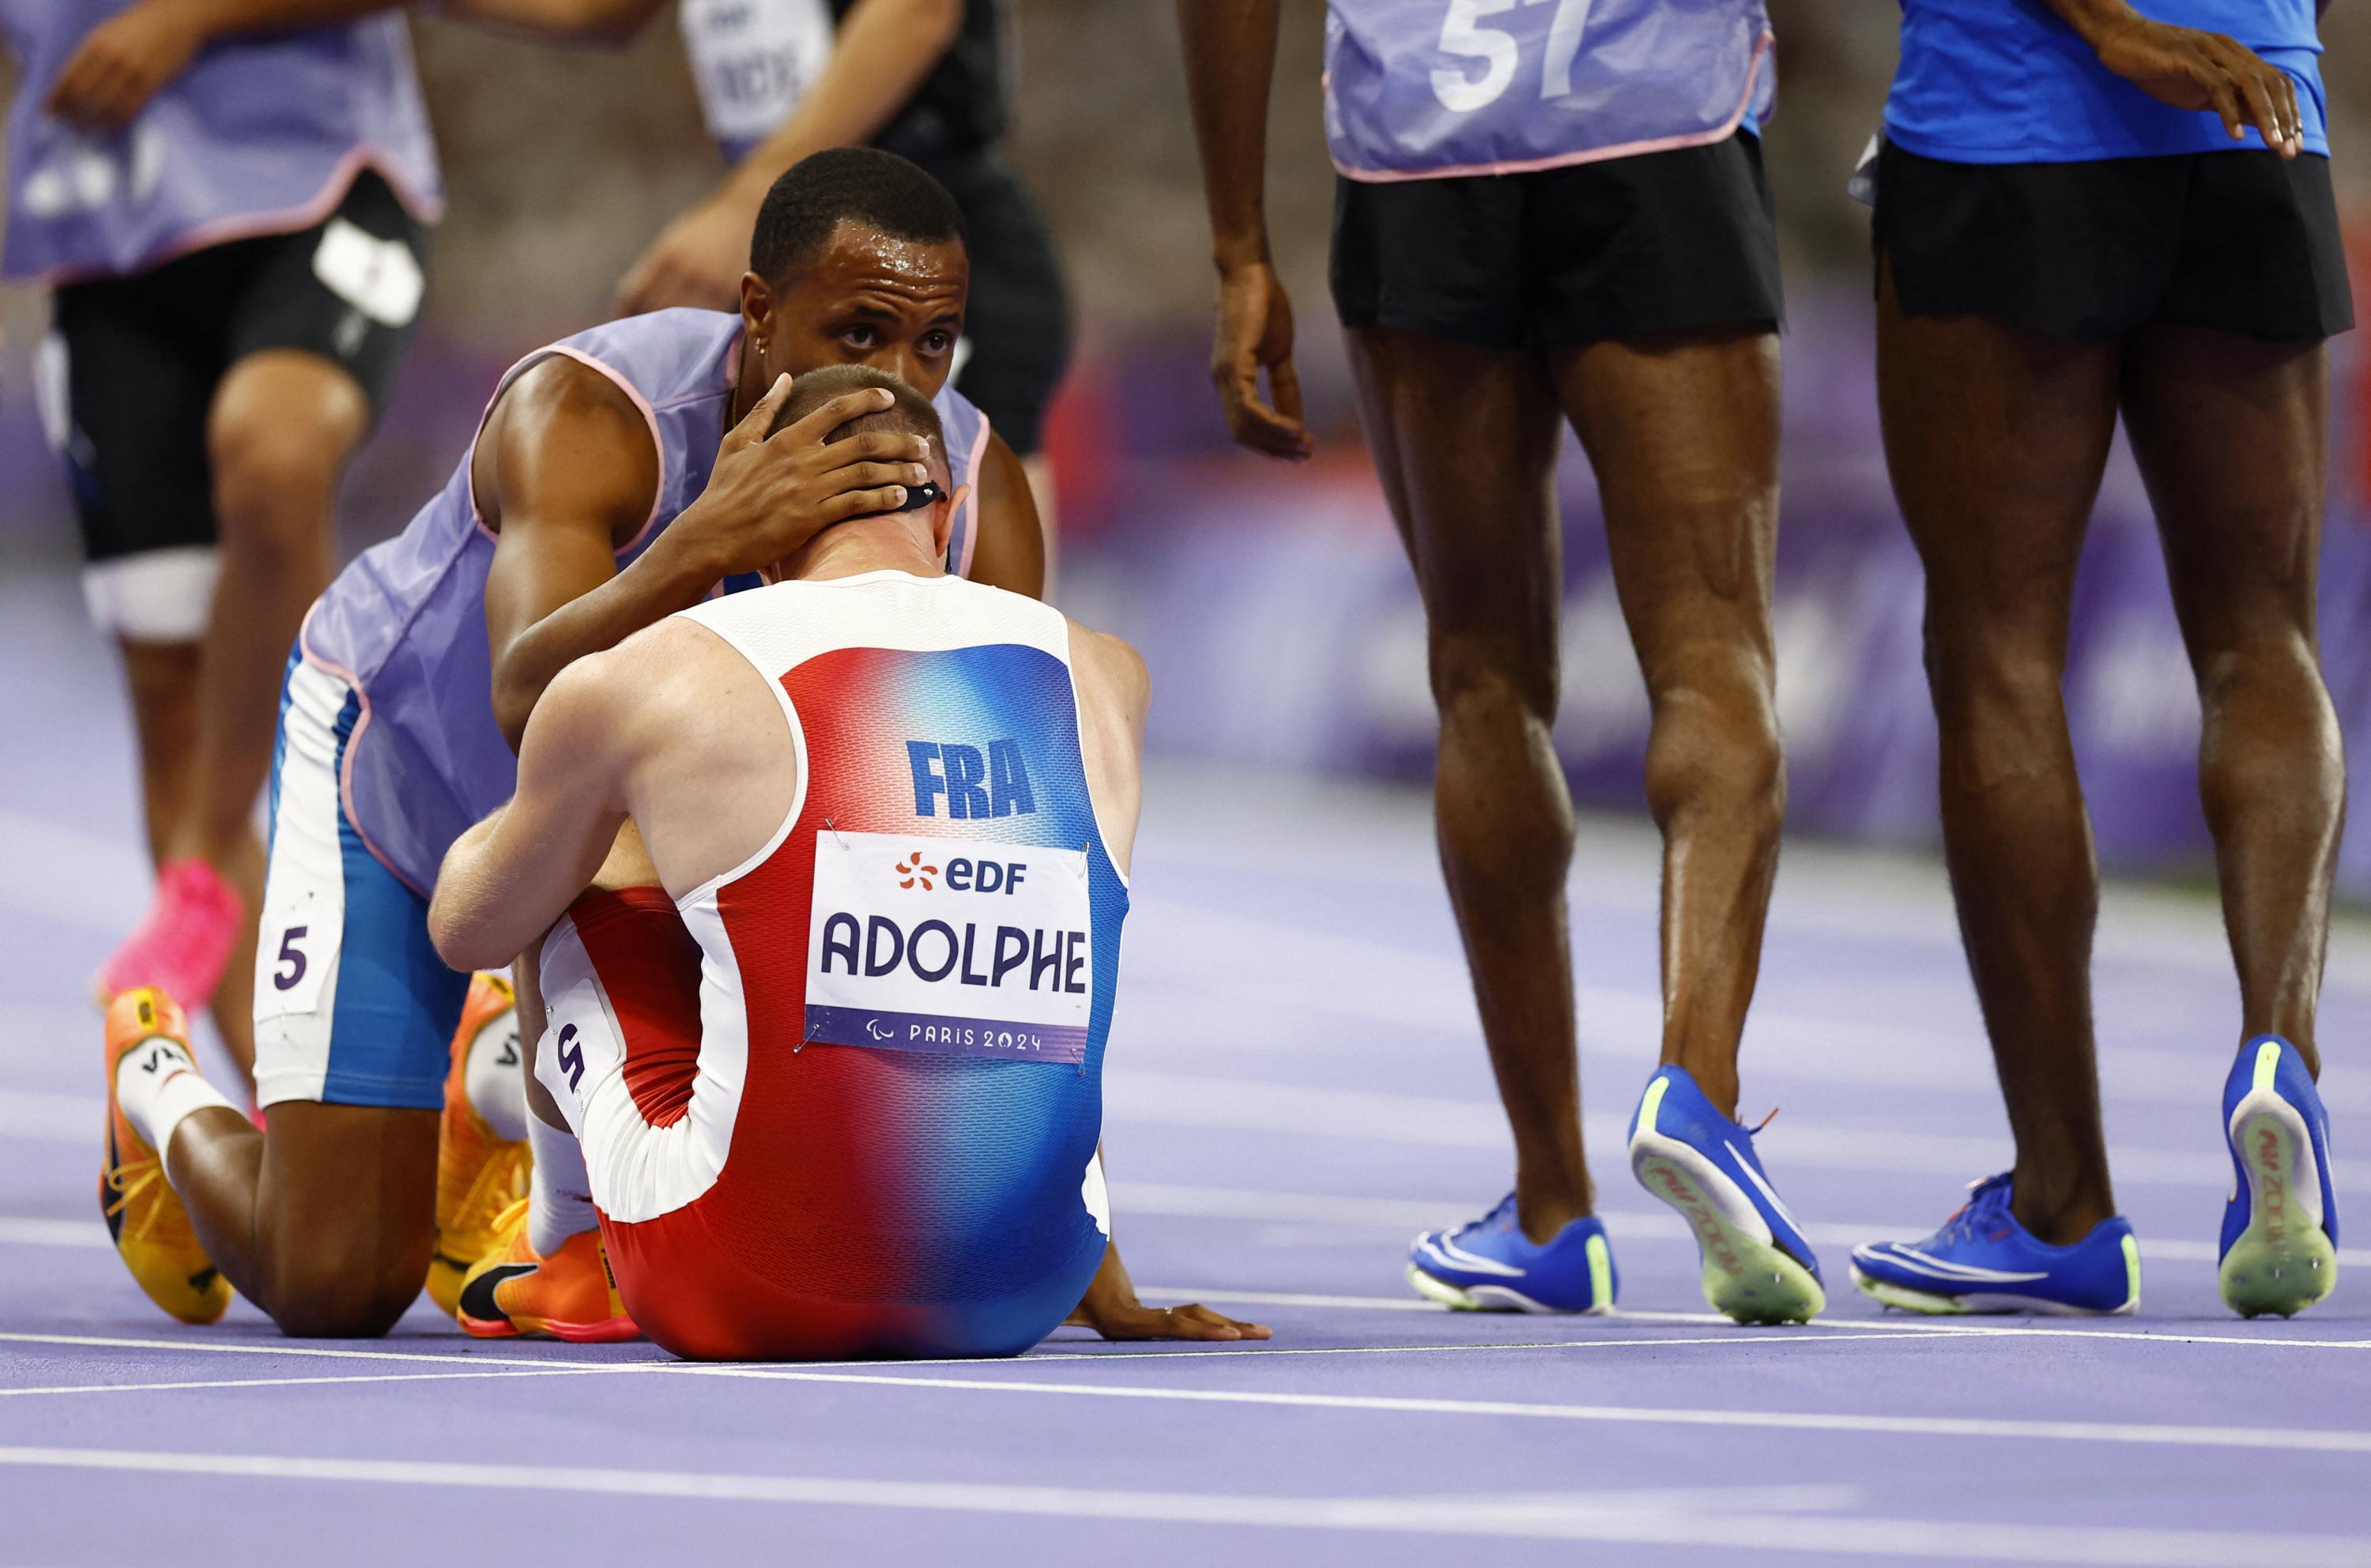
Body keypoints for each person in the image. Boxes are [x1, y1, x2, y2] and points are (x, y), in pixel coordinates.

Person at [89, 149, 1060, 1339]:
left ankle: (503, 1099)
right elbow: (530, 703)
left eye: (933, 343)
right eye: (858, 333)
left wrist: (1083, 1232)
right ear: (758, 317)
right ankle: (155, 1085)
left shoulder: (968, 491)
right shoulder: (592, 414)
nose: (897, 383)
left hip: (613, 853)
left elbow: (1019, 872)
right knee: (332, 1281)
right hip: (404, 782)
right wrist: (702, 542)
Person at [1175, 0, 1821, 1322]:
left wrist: (1240, 248)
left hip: (1424, 144)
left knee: (1482, 671)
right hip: (1653, 121)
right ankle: (1694, 1086)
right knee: (1714, 659)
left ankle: (1547, 1206)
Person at [426, 367, 1264, 1358]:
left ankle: (567, 1252)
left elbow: (468, 929)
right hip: (1030, 1288)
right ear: (947, 515)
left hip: (737, 1285)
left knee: (572, 856)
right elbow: (1021, 983)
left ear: (758, 534)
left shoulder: (647, 677)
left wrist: (532, 818)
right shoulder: (1109, 677)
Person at [1851, 0, 2343, 1320]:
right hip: (2259, 116)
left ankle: (2061, 1198)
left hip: (2003, 124)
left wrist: (2112, 23)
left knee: (1994, 647)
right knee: (2263, 636)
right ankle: (2277, 1056)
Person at [4, 0, 440, 1092]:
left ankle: (217, 844)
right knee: (168, 697)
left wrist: (189, 19)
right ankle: (292, 1126)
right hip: (108, 229)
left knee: (275, 452)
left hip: (322, 179)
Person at [451, 0, 1071, 560]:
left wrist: (746, 199)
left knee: (930, 594)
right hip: (804, 239)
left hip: (922, 240)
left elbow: (918, 10)